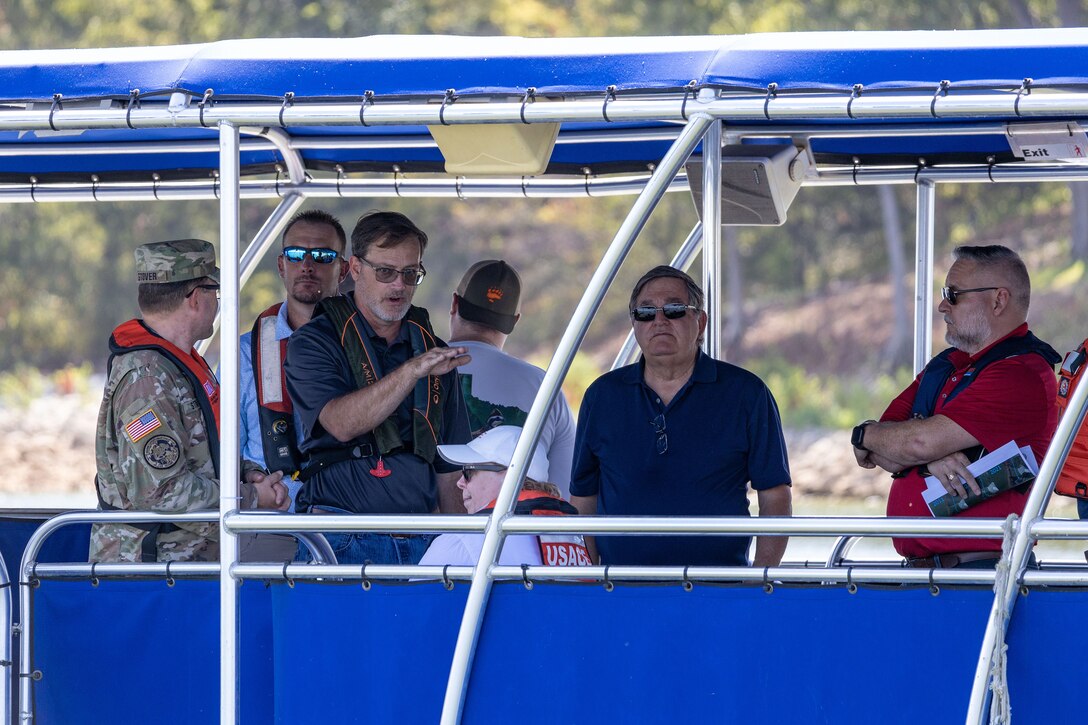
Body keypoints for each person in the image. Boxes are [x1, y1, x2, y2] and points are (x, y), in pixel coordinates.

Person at [852, 245, 1060, 568]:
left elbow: (915, 442)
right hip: (931, 577)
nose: (941, 305)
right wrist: (915, 452)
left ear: (998, 300)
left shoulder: (1022, 373)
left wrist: (877, 438)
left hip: (981, 576)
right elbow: (881, 443)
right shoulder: (948, 365)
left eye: (953, 294)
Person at [570, 265, 792, 567]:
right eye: (646, 312)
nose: (659, 321)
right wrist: (588, 580)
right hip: (619, 591)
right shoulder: (601, 396)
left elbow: (774, 494)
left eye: (674, 310)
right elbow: (584, 498)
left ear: (700, 322)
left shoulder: (747, 394)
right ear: (635, 324)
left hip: (720, 589)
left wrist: (758, 582)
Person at [284, 210, 472, 565]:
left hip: (425, 544)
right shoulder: (313, 342)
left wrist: (462, 551)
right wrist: (412, 371)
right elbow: (340, 424)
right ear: (355, 269)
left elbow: (450, 468)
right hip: (341, 541)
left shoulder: (432, 350)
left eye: (410, 274)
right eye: (385, 272)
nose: (399, 286)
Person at [91, 239, 288, 563]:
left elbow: (199, 451)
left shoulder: (177, 365)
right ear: (197, 298)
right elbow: (164, 492)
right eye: (215, 293)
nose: (217, 302)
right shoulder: (147, 379)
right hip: (154, 576)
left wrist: (245, 473)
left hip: (187, 570)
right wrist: (253, 498)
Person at [236, 209, 349, 561]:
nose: (308, 264)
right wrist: (252, 478)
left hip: (346, 524)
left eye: (323, 256)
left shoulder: (367, 351)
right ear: (282, 265)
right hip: (273, 520)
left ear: (344, 269)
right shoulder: (244, 354)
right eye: (297, 254)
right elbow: (223, 450)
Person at [449, 259, 577, 499]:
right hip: (512, 532)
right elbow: (565, 491)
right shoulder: (545, 388)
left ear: (455, 303)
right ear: (515, 320)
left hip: (424, 532)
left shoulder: (411, 371)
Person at [419, 425, 590, 567]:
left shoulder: (460, 543)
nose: (460, 483)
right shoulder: (574, 540)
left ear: (509, 477)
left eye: (468, 471)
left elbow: (415, 604)